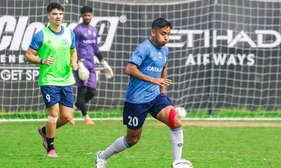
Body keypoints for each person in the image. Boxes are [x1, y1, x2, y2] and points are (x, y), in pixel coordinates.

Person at [94, 18, 184, 168]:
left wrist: (163, 91)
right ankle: (102, 156)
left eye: (168, 34)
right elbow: (129, 69)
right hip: (137, 99)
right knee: (132, 139)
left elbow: (163, 68)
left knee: (175, 121)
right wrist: (152, 80)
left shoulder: (165, 50)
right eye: (163, 34)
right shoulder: (144, 48)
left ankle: (177, 163)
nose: (166, 37)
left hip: (155, 97)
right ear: (153, 32)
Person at [24, 2, 78, 157]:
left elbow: (73, 51)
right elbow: (28, 55)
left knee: (67, 117)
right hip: (49, 80)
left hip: (66, 80)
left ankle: (43, 131)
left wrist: (74, 61)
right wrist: (41, 60)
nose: (58, 16)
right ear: (49, 16)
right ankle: (51, 148)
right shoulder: (41, 34)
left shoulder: (69, 33)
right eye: (55, 14)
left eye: (60, 14)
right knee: (53, 114)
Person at [70, 6, 113, 125]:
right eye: (85, 15)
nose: (87, 17)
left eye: (89, 15)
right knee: (82, 91)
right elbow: (74, 48)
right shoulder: (77, 30)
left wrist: (104, 63)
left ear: (92, 16)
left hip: (91, 63)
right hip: (81, 63)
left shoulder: (94, 30)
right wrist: (78, 63)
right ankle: (86, 117)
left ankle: (71, 109)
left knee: (92, 92)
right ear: (81, 16)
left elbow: (96, 48)